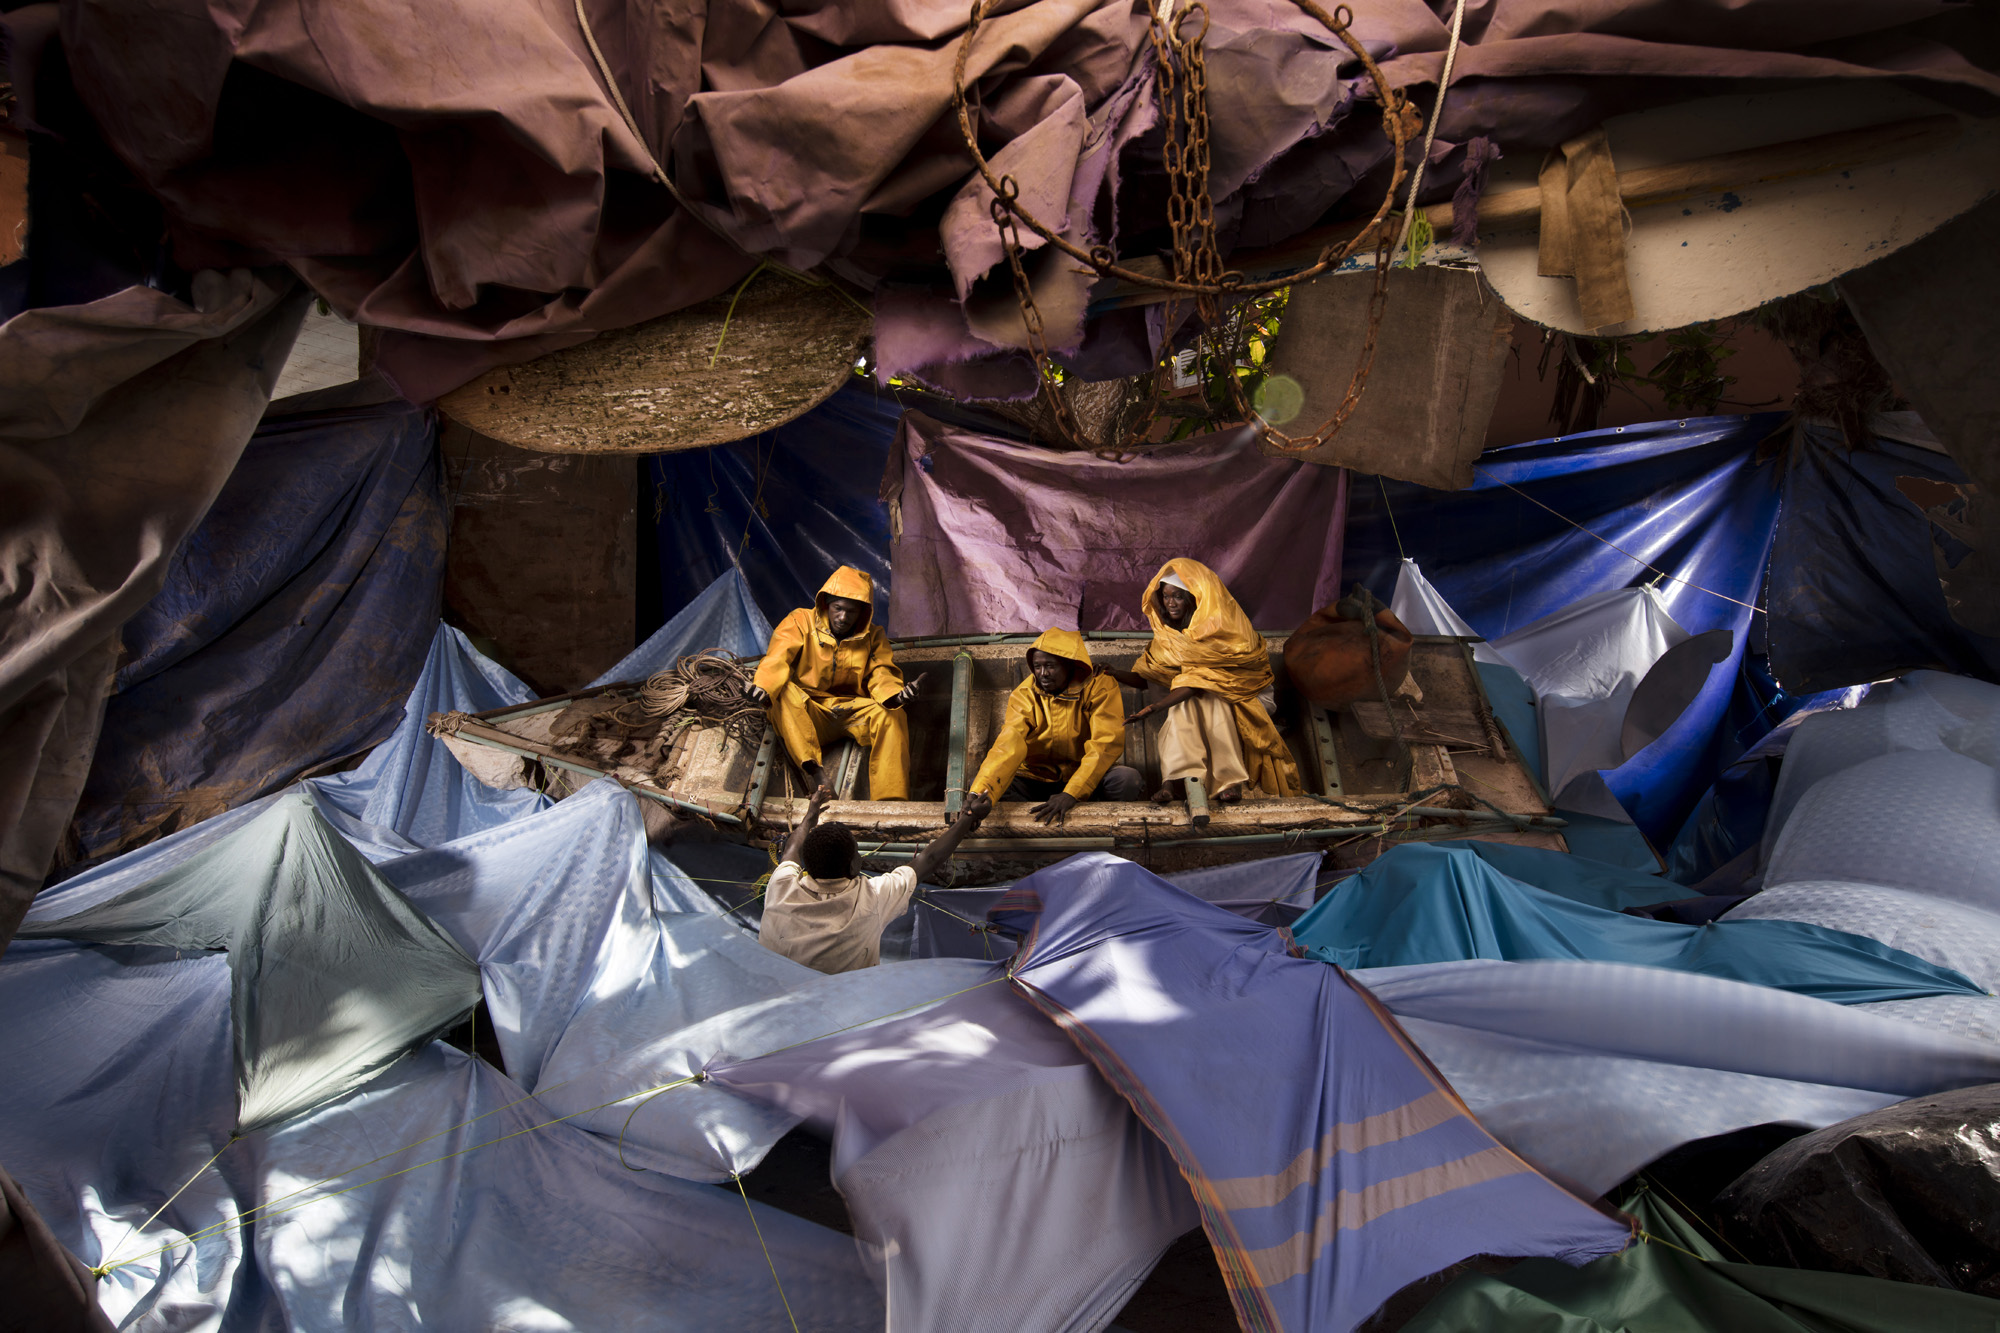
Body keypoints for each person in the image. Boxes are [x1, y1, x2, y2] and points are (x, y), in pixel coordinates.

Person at [1105, 558, 1302, 803]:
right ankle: (1185, 782)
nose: (1171, 603)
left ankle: (1216, 782)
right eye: (1166, 597)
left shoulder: (1228, 629)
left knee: (1208, 699)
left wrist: (1157, 707)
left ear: (1194, 596)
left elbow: (1206, 681)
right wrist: (1114, 673)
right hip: (1194, 699)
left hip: (1244, 696)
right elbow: (1150, 676)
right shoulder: (1169, 638)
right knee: (1187, 704)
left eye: (1178, 596)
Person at [759, 784, 992, 974]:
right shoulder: (870, 899)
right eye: (857, 854)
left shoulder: (781, 886)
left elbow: (792, 847)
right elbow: (929, 859)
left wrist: (810, 815)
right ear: (853, 865)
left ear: (805, 866)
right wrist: (967, 817)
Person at [746, 566, 923, 799]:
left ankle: (890, 800)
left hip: (850, 710)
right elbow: (778, 658)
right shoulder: (800, 621)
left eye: (851, 611)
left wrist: (897, 696)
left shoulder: (874, 636)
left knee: (892, 714)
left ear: (862, 612)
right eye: (838, 608)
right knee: (783, 691)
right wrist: (763, 687)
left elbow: (882, 672)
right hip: (810, 711)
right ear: (826, 604)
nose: (843, 617)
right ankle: (818, 776)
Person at [967, 629, 1146, 824]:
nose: (1043, 673)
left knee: (1127, 779)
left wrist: (1072, 793)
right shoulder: (1024, 695)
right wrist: (978, 791)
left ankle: (1092, 820)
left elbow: (1105, 745)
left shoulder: (1099, 685)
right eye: (1037, 666)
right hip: (1035, 779)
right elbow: (1008, 745)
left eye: (1050, 666)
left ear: (1070, 665)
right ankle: (1039, 818)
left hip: (1084, 778)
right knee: (984, 789)